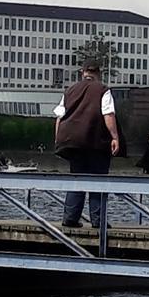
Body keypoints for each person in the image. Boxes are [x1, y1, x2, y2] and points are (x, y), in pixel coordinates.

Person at [54, 59, 120, 228]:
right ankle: (98, 220)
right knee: (98, 180)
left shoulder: (70, 90)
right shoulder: (103, 90)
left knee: (76, 178)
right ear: (98, 74)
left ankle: (70, 218)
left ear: (83, 73)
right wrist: (115, 137)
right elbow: (108, 115)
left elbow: (60, 116)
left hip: (72, 142)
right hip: (95, 141)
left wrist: (58, 139)